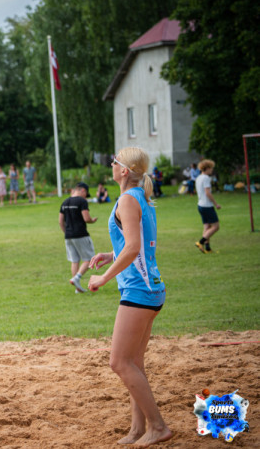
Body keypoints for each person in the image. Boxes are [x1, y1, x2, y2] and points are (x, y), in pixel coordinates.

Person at [88, 147, 171, 446]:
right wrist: (110, 254)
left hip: (139, 291)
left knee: (119, 363)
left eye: (114, 161)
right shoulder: (138, 197)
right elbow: (136, 243)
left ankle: (158, 427)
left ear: (124, 170)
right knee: (134, 361)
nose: (110, 164)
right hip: (151, 289)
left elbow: (135, 248)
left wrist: (104, 277)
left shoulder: (127, 198)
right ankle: (138, 429)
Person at [59, 182, 97, 293]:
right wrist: (92, 220)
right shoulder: (82, 201)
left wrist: (66, 232)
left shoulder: (65, 202)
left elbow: (60, 221)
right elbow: (86, 218)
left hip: (68, 236)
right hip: (81, 234)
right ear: (83, 191)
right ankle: (77, 278)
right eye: (86, 194)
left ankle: (77, 288)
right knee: (89, 259)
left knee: (74, 260)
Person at [195, 159, 221, 254]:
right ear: (208, 168)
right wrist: (216, 203)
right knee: (216, 226)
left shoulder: (198, 178)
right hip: (207, 205)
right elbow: (207, 193)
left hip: (200, 205)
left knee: (207, 227)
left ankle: (207, 248)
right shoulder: (206, 178)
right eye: (211, 168)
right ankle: (200, 242)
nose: (212, 170)